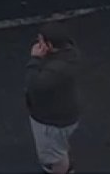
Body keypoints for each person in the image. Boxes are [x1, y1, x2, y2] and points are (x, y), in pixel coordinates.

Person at [25, 22, 82, 174]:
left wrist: (35, 59)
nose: (38, 44)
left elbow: (34, 85)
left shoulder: (55, 71)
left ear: (49, 45)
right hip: (65, 113)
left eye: (41, 41)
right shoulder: (70, 55)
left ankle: (60, 169)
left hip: (51, 121)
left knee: (55, 157)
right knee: (60, 145)